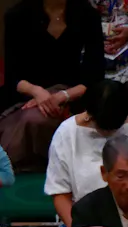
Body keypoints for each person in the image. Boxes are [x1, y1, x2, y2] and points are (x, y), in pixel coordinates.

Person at [45, 79, 128, 227]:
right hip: (84, 222)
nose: (108, 133)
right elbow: (60, 193)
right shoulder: (66, 133)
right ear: (90, 113)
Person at [0, 0, 105, 171]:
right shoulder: (17, 15)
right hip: (25, 94)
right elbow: (12, 76)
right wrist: (37, 92)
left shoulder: (88, 14)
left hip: (74, 94)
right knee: (33, 118)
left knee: (36, 119)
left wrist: (64, 95)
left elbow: (95, 73)